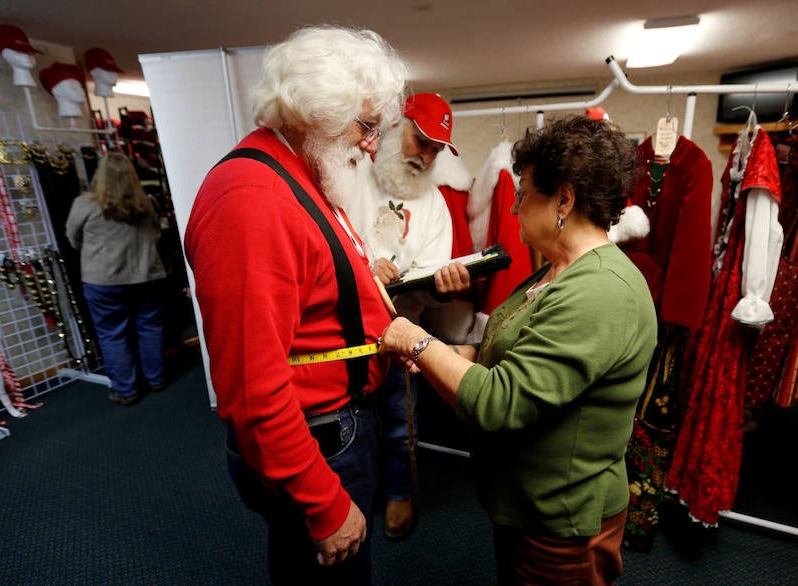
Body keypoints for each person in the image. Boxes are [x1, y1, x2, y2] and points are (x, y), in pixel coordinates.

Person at [377, 115, 658, 585]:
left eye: (523, 194)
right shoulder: (556, 272)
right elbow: (504, 357)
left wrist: (417, 340)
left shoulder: (600, 292)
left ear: (564, 199)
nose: (513, 209)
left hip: (562, 525)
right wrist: (439, 356)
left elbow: (498, 402)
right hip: (527, 507)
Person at [182, 25, 410, 584]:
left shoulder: (298, 176)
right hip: (319, 445)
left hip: (339, 427)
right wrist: (324, 504)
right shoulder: (252, 201)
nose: (372, 145)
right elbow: (252, 389)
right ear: (317, 111)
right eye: (366, 126)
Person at [345, 92, 468, 540]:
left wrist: (443, 287)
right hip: (343, 330)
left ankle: (399, 491)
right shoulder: (350, 177)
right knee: (348, 420)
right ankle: (350, 497)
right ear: (396, 127)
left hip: (402, 330)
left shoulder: (435, 204)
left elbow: (431, 285)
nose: (428, 155)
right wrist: (364, 266)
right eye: (422, 140)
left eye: (437, 149)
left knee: (400, 422)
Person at [65, 152, 168, 406]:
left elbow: (73, 239)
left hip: (103, 280)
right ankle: (156, 379)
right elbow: (156, 235)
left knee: (112, 334)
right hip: (146, 275)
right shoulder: (147, 204)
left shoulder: (85, 204)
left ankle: (126, 390)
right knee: (150, 327)